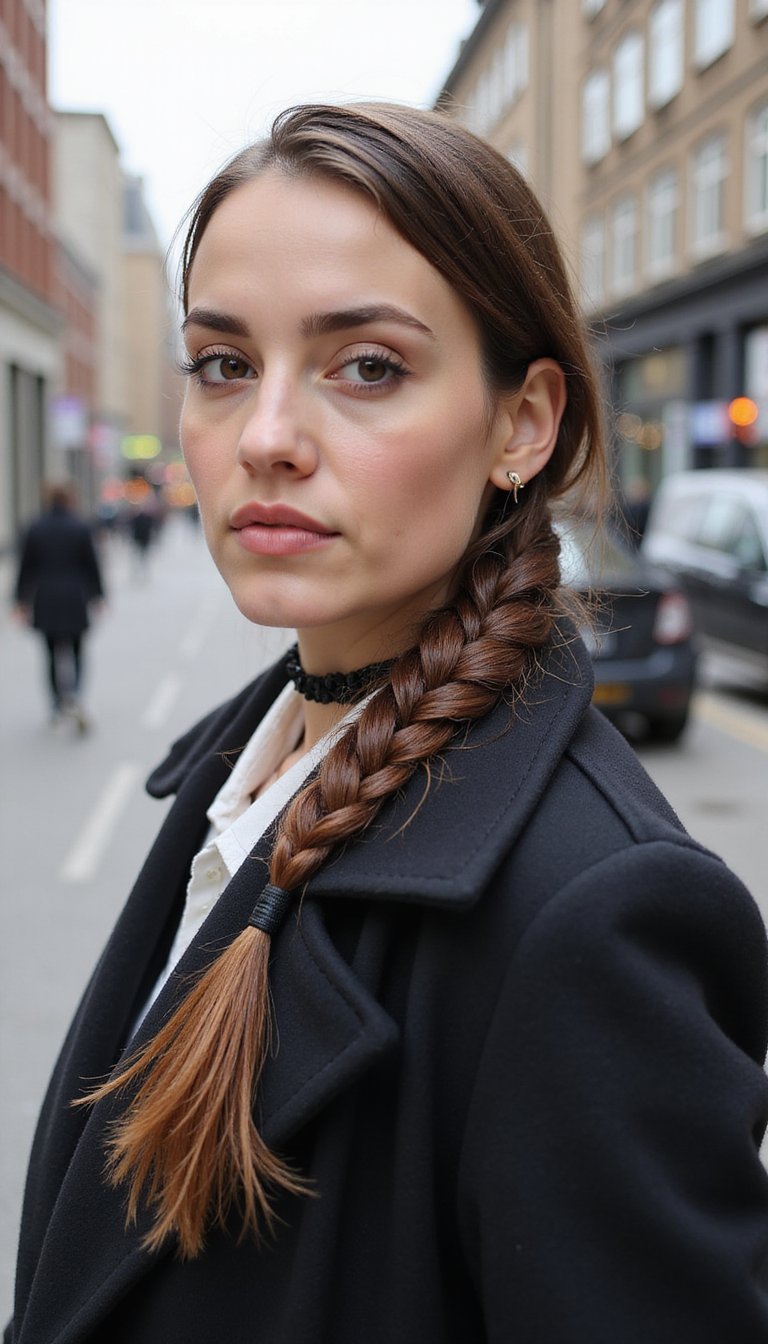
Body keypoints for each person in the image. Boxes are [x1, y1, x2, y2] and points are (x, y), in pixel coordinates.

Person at [7, 104, 768, 1344]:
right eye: (224, 364)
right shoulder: (241, 769)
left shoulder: (595, 918)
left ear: (522, 423)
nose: (265, 440)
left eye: (368, 366)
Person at [13, 481, 104, 731]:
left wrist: (20, 601)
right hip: (75, 597)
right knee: (77, 651)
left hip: (46, 599)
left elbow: (25, 568)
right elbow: (91, 565)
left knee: (51, 654)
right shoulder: (80, 527)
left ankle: (56, 703)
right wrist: (98, 596)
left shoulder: (35, 527)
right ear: (69, 499)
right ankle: (75, 696)